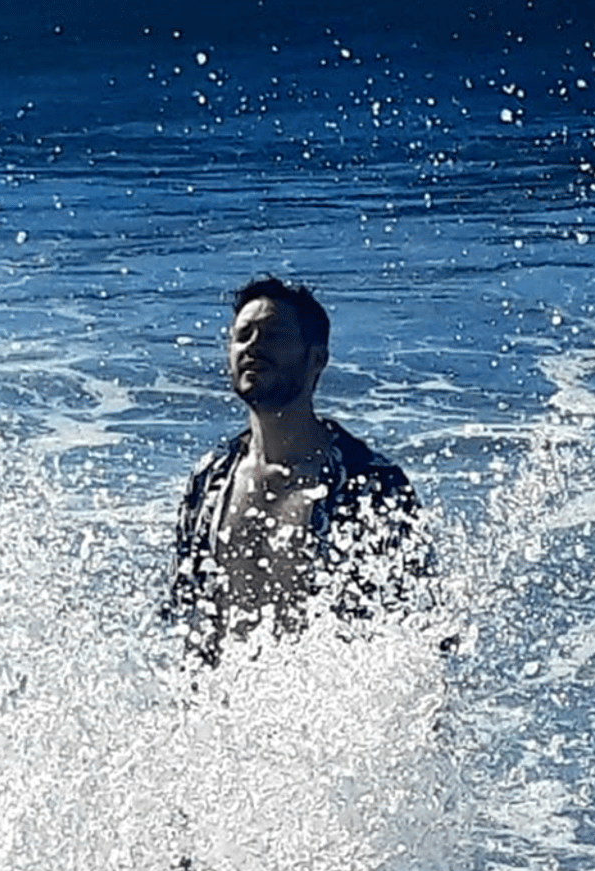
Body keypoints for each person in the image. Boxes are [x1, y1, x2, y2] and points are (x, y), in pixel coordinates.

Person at [167, 276, 425, 666]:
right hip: (225, 714)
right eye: (243, 335)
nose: (253, 345)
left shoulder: (369, 484)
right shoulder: (211, 480)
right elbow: (187, 619)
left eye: (273, 336)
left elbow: (419, 630)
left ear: (316, 358)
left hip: (332, 714)